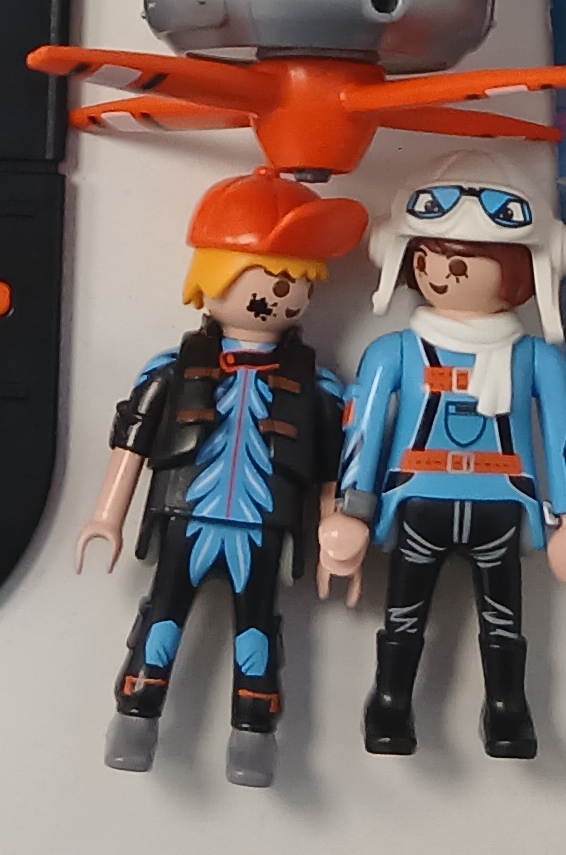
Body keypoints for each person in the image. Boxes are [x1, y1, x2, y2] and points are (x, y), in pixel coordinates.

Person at [78, 168, 366, 787]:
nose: (280, 295)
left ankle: (253, 734)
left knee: (257, 625)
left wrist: (333, 536)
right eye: (266, 279)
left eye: (296, 284)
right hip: (186, 516)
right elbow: (132, 443)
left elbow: (329, 469)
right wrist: (107, 515)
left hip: (262, 525)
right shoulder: (173, 368)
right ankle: (135, 716)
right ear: (210, 280)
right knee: (162, 615)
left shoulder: (316, 387)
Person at [326, 151, 566, 755]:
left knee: (504, 620)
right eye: (429, 257)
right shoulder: (394, 352)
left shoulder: (536, 359)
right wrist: (352, 509)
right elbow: (362, 432)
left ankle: (507, 708)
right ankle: (390, 701)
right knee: (403, 615)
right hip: (416, 502)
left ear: (524, 269)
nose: (443, 272)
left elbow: (563, 436)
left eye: (464, 261)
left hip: (501, 506)